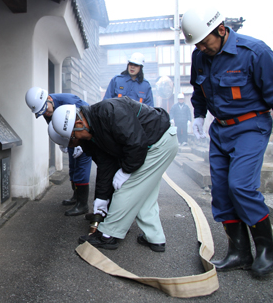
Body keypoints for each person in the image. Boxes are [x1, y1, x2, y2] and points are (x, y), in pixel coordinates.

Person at [182, 6, 273, 277]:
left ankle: (266, 251)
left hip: (251, 126)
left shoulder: (255, 53)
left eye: (204, 41)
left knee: (241, 187)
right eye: (196, 43)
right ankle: (239, 253)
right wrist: (199, 116)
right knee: (222, 193)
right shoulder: (199, 56)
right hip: (221, 130)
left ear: (221, 30)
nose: (200, 47)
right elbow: (199, 91)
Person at [50, 97, 178, 251]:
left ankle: (108, 235)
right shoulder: (92, 133)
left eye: (73, 138)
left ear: (78, 124)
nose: (75, 144)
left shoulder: (109, 111)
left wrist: (126, 170)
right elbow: (105, 166)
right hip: (153, 144)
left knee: (127, 187)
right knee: (144, 193)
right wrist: (101, 198)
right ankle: (155, 237)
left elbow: (136, 144)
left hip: (158, 143)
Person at [25, 87, 92, 216]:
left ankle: (83, 205)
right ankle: (76, 197)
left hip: (82, 138)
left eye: (45, 110)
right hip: (70, 139)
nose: (45, 114)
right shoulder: (46, 109)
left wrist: (82, 142)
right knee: (73, 168)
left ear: (49, 99)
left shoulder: (69, 100)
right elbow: (53, 127)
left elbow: (89, 116)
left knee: (81, 168)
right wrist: (61, 143)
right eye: (41, 112)